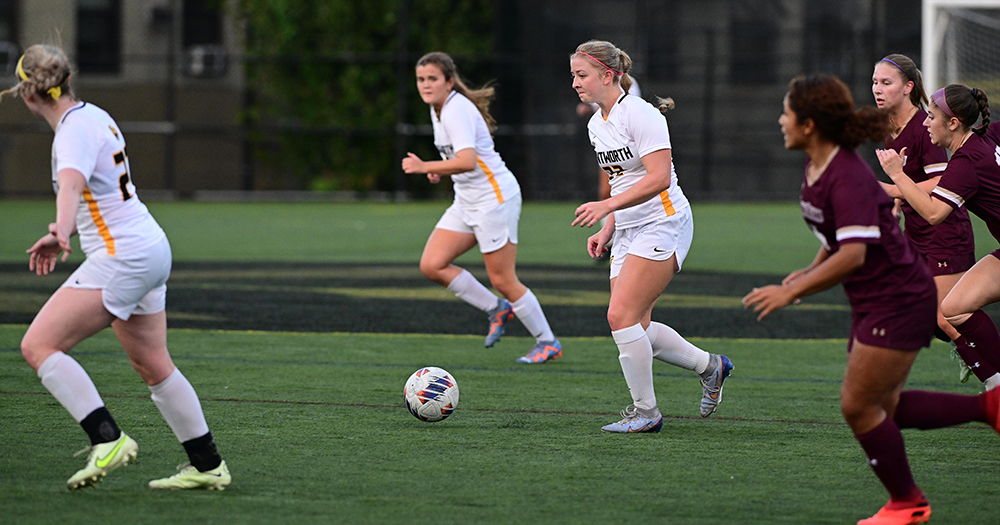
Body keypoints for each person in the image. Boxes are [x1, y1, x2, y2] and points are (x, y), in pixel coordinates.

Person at [744, 74, 1000, 525]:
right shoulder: (818, 166)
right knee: (882, 405)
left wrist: (792, 291)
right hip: (877, 300)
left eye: (786, 112)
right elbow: (841, 236)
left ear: (809, 124)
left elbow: (855, 254)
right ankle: (987, 409)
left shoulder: (843, 173)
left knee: (859, 406)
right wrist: (807, 270)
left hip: (896, 299)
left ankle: (908, 501)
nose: (779, 120)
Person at [4, 45, 230, 490]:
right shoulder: (93, 114)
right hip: (149, 246)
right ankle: (207, 465)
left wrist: (60, 231)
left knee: (38, 346)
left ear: (29, 95)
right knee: (153, 364)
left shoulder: (70, 131)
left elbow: (71, 182)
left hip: (123, 255)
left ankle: (106, 439)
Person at [569, 40, 733, 433]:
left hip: (665, 221)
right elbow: (621, 178)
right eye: (573, 75)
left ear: (608, 75)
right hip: (628, 227)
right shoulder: (596, 124)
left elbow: (659, 178)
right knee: (634, 326)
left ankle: (646, 414)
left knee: (619, 316)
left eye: (581, 74)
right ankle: (710, 366)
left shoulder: (641, 114)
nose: (574, 83)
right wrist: (610, 227)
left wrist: (606, 208)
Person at [401, 51, 561, 364]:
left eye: (432, 79)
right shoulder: (438, 108)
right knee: (432, 264)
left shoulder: (455, 109)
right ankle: (496, 308)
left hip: (493, 199)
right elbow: (458, 159)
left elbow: (469, 160)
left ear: (449, 81)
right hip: (467, 200)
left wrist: (424, 167)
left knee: (503, 279)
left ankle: (548, 341)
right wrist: (440, 167)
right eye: (421, 79)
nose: (425, 85)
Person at [872, 55, 998, 388]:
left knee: (946, 312)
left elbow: (932, 212)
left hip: (943, 238)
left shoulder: (966, 162)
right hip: (928, 238)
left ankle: (992, 380)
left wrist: (896, 180)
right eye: (875, 82)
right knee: (949, 309)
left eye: (932, 117)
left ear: (953, 123)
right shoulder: (988, 135)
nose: (927, 124)